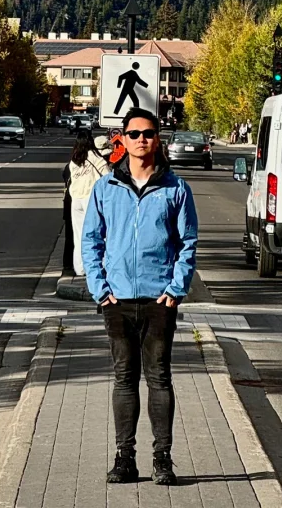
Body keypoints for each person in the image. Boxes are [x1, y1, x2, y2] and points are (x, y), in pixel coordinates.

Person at [81, 108, 198, 488]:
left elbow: (188, 243)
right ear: (123, 140)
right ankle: (124, 458)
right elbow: (91, 242)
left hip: (157, 300)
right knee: (123, 379)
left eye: (148, 133)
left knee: (159, 378)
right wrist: (101, 289)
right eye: (134, 134)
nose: (141, 140)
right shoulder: (105, 188)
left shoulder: (176, 188)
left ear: (157, 139)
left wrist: (175, 289)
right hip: (117, 301)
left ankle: (162, 460)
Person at [68, 131, 110, 276]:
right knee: (97, 234)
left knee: (78, 235)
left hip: (76, 199)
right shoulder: (96, 158)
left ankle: (79, 268)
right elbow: (108, 179)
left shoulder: (74, 160)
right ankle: (100, 265)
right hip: (90, 199)